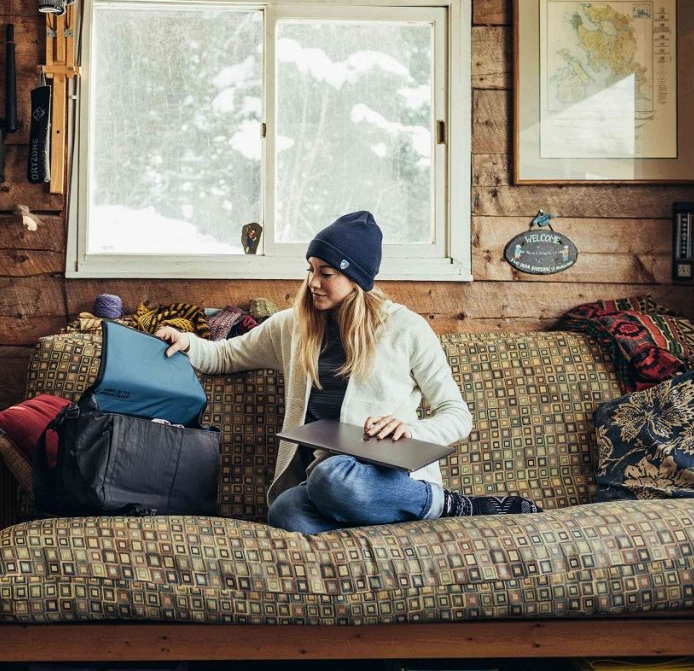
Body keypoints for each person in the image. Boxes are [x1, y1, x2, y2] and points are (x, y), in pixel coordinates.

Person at [155, 211, 540, 534]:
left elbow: (457, 417)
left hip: (382, 475)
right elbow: (226, 355)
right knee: (286, 511)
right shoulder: (292, 326)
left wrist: (410, 429)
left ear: (355, 279)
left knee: (332, 478)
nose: (312, 283)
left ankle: (449, 506)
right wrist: (187, 342)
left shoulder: (406, 329)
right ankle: (384, 521)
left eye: (326, 273)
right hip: (327, 479)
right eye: (310, 270)